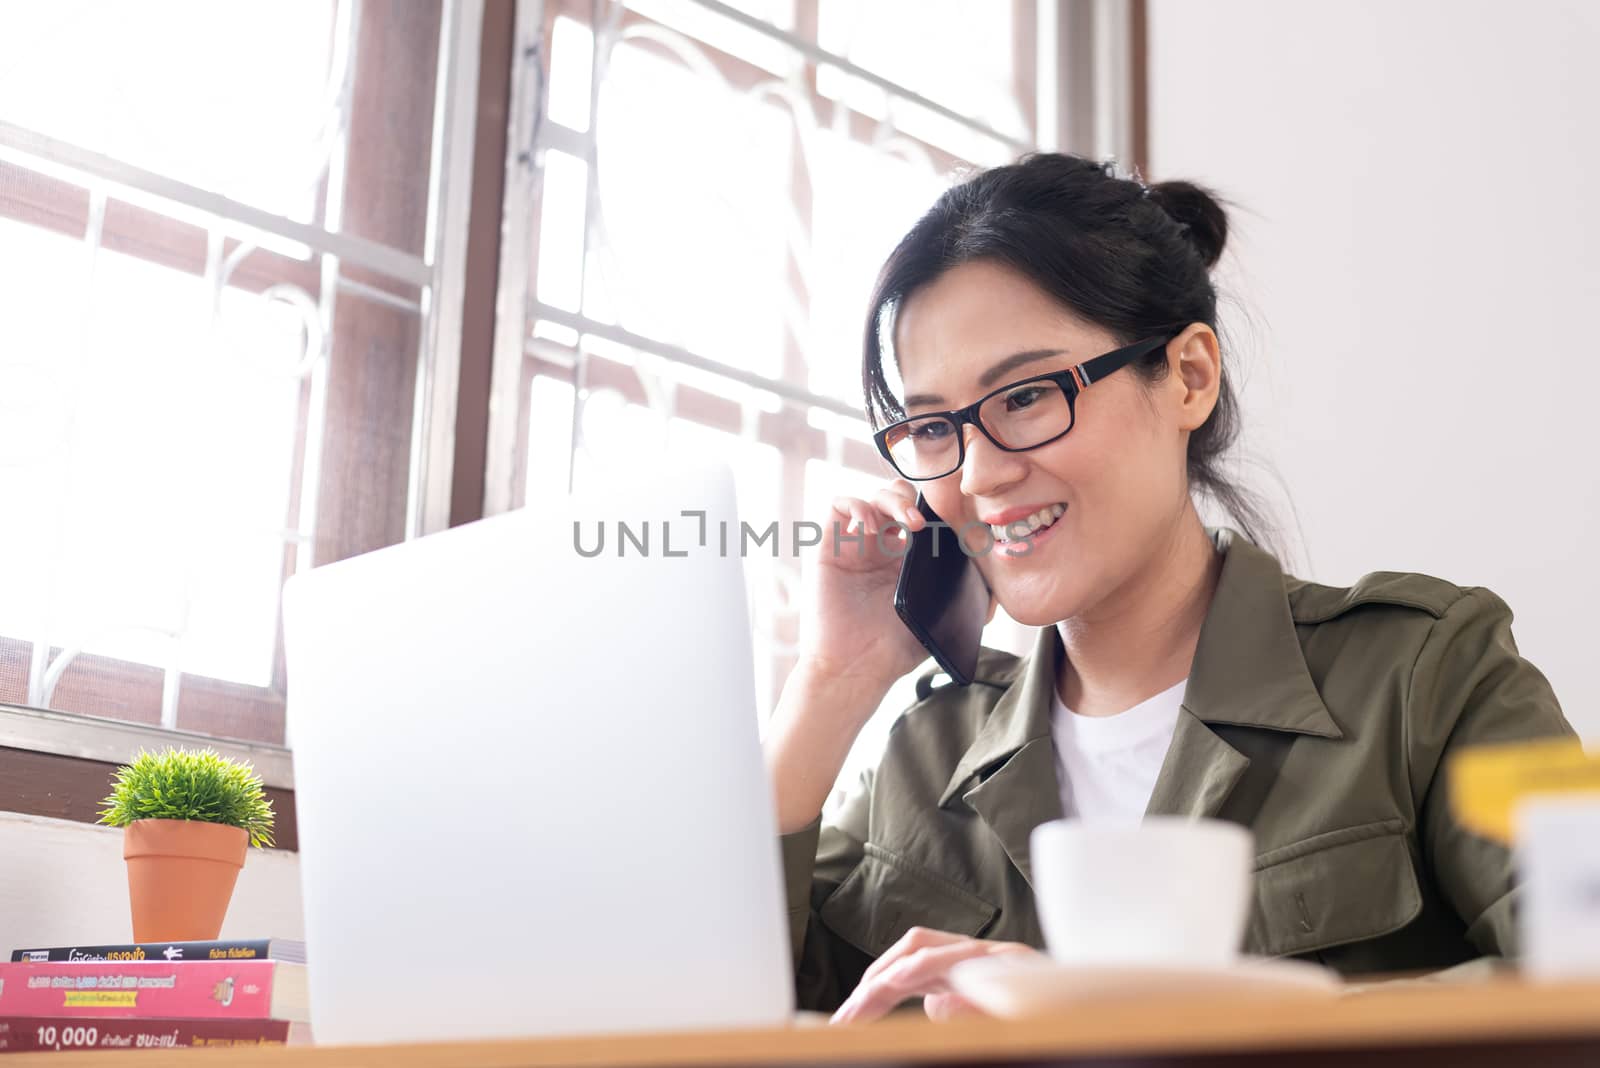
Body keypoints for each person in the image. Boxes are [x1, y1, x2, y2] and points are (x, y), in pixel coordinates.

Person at [762, 152, 1575, 1024]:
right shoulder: (925, 756)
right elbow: (693, 1007)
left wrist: (1176, 1019)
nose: (981, 473)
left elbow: (1580, 972)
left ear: (1189, 376)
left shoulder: (1427, 675)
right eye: (932, 427)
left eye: (1027, 396)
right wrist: (830, 687)